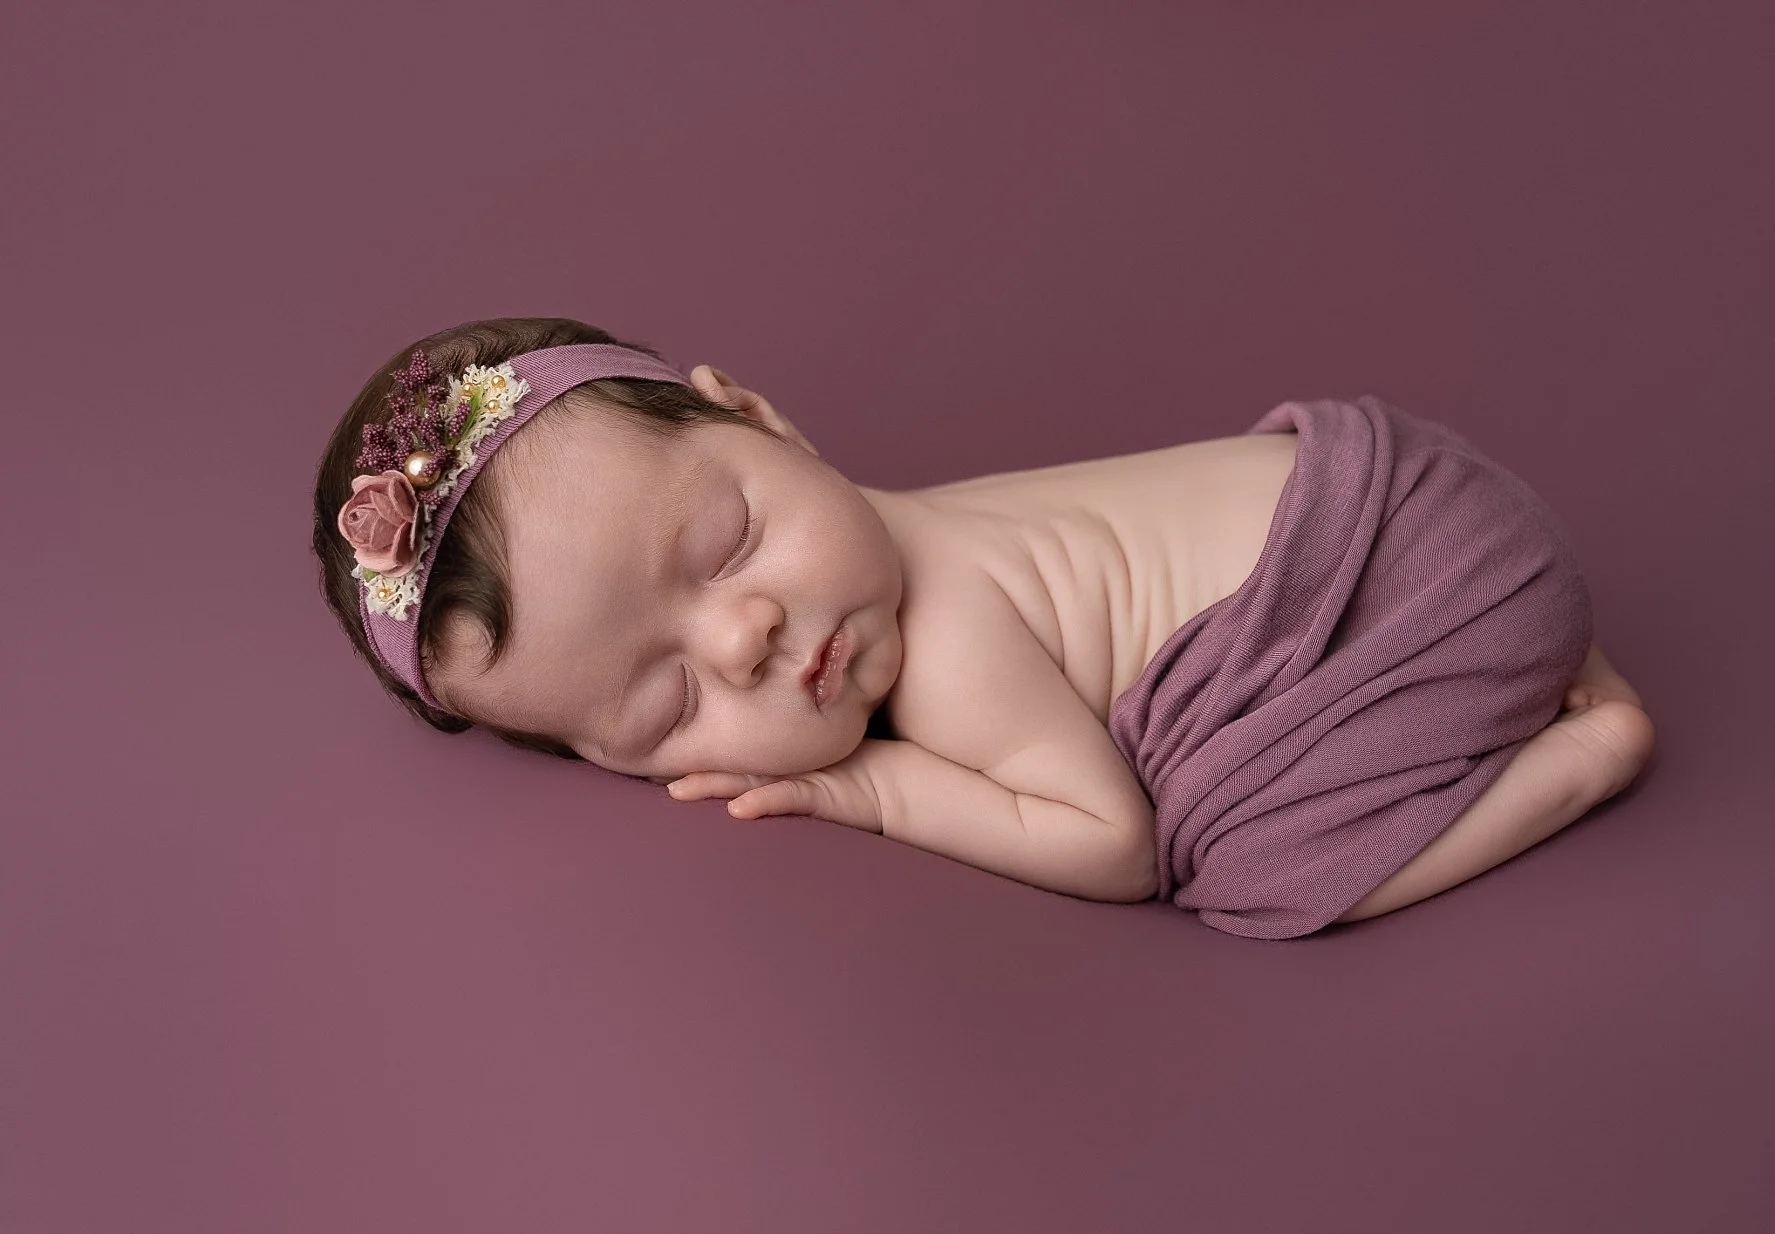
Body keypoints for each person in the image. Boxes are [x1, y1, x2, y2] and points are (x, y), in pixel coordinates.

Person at [311, 316, 1654, 938]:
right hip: (1429, 485)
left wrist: (878, 786)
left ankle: (1578, 752)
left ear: (764, 417)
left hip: (1414, 587)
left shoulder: (948, 651)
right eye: (665, 705)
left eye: (726, 548)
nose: (745, 641)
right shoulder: (892, 526)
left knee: (1238, 873)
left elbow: (1114, 842)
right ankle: (1542, 655)